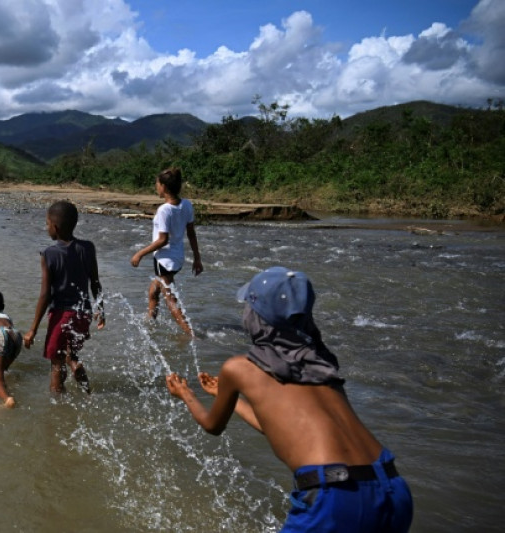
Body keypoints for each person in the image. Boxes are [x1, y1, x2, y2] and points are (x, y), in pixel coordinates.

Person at [165, 267, 413, 532]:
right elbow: (280, 430)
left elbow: (212, 425)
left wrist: (185, 394)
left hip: (336, 495)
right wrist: (232, 400)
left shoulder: (240, 368)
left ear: (255, 317)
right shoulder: (322, 364)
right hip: (392, 486)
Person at [23, 201, 105, 394]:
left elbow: (45, 294)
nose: (46, 228)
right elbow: (95, 282)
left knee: (56, 363)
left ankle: (57, 402)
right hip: (82, 315)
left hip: (61, 315)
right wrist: (100, 309)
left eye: (47, 224)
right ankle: (86, 391)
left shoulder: (49, 254)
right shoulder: (88, 248)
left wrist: (33, 329)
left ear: (55, 227)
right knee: (71, 355)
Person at [130, 167, 203, 336]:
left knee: (170, 300)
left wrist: (139, 254)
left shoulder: (164, 210)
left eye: (157, 184)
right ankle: (150, 322)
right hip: (177, 258)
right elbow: (191, 233)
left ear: (163, 187)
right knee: (153, 291)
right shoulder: (186, 204)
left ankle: (191, 335)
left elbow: (163, 240)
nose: (156, 187)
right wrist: (197, 258)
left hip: (164, 260)